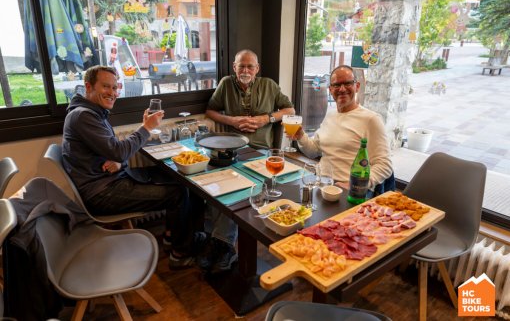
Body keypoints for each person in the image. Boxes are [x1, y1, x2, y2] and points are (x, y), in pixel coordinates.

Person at [62, 65, 202, 268]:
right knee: (179, 192)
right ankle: (180, 254)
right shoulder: (83, 116)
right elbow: (119, 151)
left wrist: (120, 160)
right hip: (101, 193)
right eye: (106, 87)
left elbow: (117, 152)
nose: (112, 93)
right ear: (88, 86)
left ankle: (173, 237)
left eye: (115, 87)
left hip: (108, 180)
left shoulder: (92, 112)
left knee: (178, 178)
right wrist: (146, 128)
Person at [201, 49, 295, 273]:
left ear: (257, 69)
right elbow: (210, 111)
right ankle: (221, 242)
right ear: (234, 67)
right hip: (231, 148)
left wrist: (266, 118)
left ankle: (222, 244)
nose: (245, 70)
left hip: (261, 153)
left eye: (249, 66)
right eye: (241, 66)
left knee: (237, 193)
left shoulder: (269, 85)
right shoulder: (225, 83)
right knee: (217, 190)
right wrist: (231, 120)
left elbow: (290, 109)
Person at [290, 65, 393, 194]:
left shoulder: (371, 119)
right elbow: (313, 151)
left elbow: (385, 164)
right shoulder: (330, 115)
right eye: (337, 85)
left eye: (347, 83)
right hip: (322, 183)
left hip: (351, 191)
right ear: (330, 89)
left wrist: (355, 185)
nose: (342, 89)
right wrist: (301, 136)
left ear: (357, 86)